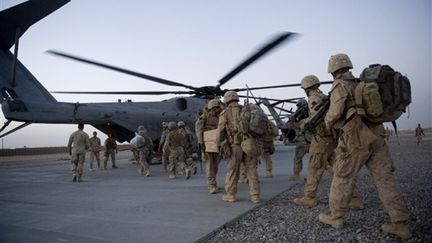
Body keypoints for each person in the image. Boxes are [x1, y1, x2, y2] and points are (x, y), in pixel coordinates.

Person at [319, 53, 411, 240]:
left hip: (355, 138)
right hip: (377, 135)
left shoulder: (340, 85)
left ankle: (336, 216)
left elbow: (335, 112)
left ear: (333, 71)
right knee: (385, 179)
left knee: (342, 176)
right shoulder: (362, 81)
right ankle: (400, 223)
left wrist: (327, 124)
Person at [293, 75, 363, 209]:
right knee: (337, 168)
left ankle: (309, 197)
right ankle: (354, 198)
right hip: (331, 138)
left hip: (321, 139)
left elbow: (315, 119)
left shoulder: (313, 99)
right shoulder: (324, 96)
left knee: (314, 167)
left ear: (306, 88)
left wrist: (301, 123)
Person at [217, 90, 260, 203]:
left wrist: (218, 143)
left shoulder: (225, 113)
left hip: (235, 145)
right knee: (251, 169)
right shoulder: (246, 110)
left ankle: (231, 195)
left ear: (226, 100)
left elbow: (221, 130)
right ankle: (255, 196)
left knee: (233, 170)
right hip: (249, 143)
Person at [196, 98, 223, 193]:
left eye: (217, 108)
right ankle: (211, 185)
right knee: (210, 165)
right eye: (214, 108)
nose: (216, 110)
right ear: (210, 108)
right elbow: (199, 130)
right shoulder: (204, 117)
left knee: (215, 165)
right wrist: (201, 143)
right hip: (207, 145)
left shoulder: (220, 117)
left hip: (217, 144)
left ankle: (213, 182)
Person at [288, 99, 311, 181]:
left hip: (303, 141)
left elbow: (291, 124)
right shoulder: (312, 112)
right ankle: (333, 172)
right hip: (313, 140)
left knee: (297, 158)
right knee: (317, 158)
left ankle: (296, 175)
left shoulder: (298, 116)